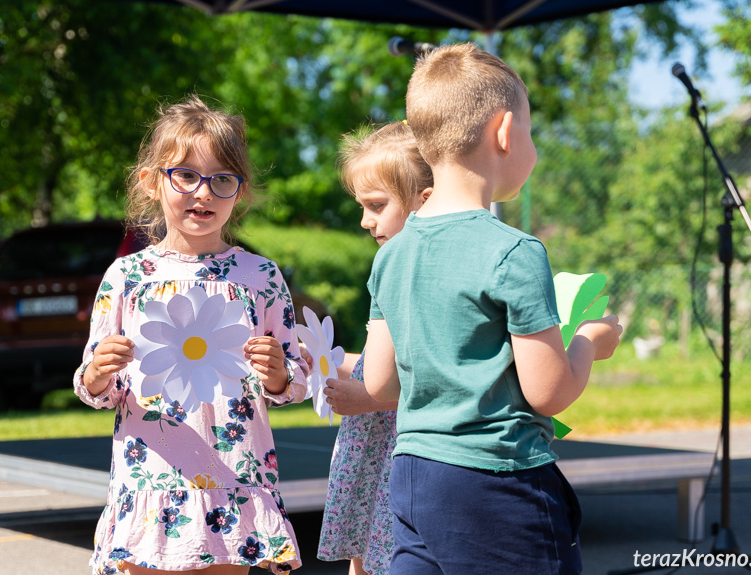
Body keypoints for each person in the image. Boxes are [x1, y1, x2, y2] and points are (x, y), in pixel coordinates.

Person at [363, 43, 623, 575]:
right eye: (529, 132)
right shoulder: (514, 252)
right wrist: (588, 342)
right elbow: (548, 393)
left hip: (413, 477)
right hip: (499, 482)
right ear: (505, 132)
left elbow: (380, 385)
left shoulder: (392, 255)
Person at [73, 95, 307, 575]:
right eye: (186, 175)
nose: (203, 193)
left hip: (232, 480)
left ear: (240, 192)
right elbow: (94, 387)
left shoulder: (261, 277)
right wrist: (99, 371)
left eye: (222, 179)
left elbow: (293, 383)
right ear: (151, 182)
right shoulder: (127, 277)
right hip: (151, 481)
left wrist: (281, 375)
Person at [316, 122, 433, 575]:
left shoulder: (407, 269)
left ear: (423, 201)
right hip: (377, 447)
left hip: (403, 446)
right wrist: (329, 361)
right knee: (365, 551)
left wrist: (366, 397)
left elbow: (432, 374)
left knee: (391, 551)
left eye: (377, 206)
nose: (365, 221)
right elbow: (381, 362)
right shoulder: (392, 264)